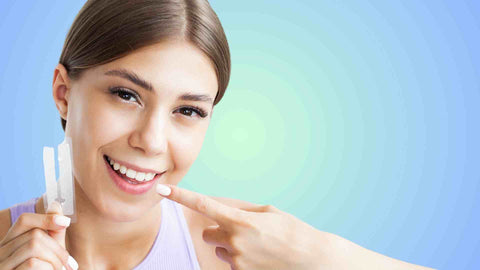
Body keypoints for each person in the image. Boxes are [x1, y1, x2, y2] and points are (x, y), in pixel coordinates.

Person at [0, 0, 435, 269]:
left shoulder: (236, 248)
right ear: (63, 93)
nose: (152, 141)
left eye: (187, 110)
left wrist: (319, 257)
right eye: (126, 95)